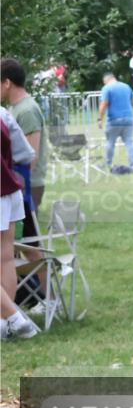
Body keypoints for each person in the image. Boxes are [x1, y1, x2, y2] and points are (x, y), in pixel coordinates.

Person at [1, 58, 50, 303]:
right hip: (16, 186)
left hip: (27, 185)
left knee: (31, 247)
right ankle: (32, 298)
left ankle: (48, 298)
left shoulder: (27, 109)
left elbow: (31, 156)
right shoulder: (14, 110)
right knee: (19, 247)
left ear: (7, 82)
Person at [1, 116, 40, 340]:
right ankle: (4, 324)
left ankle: (15, 318)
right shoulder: (3, 113)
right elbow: (25, 154)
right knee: (5, 259)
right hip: (9, 190)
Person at [98, 73, 133, 169]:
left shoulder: (107, 88)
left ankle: (108, 163)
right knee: (129, 142)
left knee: (110, 142)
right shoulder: (126, 87)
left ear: (106, 81)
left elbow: (104, 104)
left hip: (114, 120)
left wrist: (100, 118)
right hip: (128, 118)